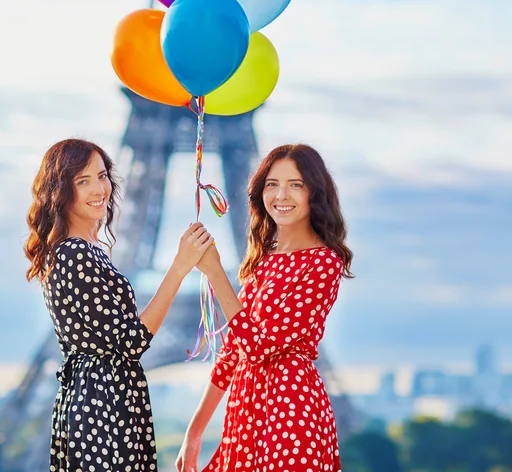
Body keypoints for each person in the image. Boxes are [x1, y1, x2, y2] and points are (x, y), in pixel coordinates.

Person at [25, 138, 215, 472]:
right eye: (83, 181)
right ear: (60, 191)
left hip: (102, 401)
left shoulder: (83, 250)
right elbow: (131, 341)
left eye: (102, 176)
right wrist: (180, 266)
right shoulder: (76, 253)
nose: (99, 189)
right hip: (102, 408)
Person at [176, 144, 354, 472]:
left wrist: (215, 272)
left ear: (315, 192)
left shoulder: (323, 262)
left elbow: (259, 347)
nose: (281, 195)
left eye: (295, 184)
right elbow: (233, 350)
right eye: (272, 184)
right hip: (245, 411)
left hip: (291, 409)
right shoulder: (263, 261)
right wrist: (195, 431)